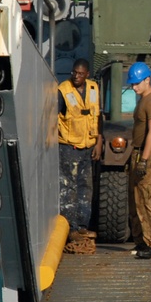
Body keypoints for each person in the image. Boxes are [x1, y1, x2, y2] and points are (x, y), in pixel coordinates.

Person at [58, 59, 103, 244]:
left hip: (88, 147)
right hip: (69, 147)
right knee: (69, 189)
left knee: (86, 188)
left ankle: (83, 227)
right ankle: (71, 228)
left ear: (87, 75)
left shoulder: (93, 88)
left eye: (80, 74)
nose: (76, 76)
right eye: (74, 72)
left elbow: (98, 116)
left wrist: (99, 141)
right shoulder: (63, 91)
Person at [126, 63, 151, 259]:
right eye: (132, 84)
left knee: (150, 201)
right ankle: (142, 241)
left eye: (136, 84)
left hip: (146, 155)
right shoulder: (142, 101)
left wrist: (144, 159)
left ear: (147, 80)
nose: (134, 88)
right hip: (138, 154)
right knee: (136, 202)